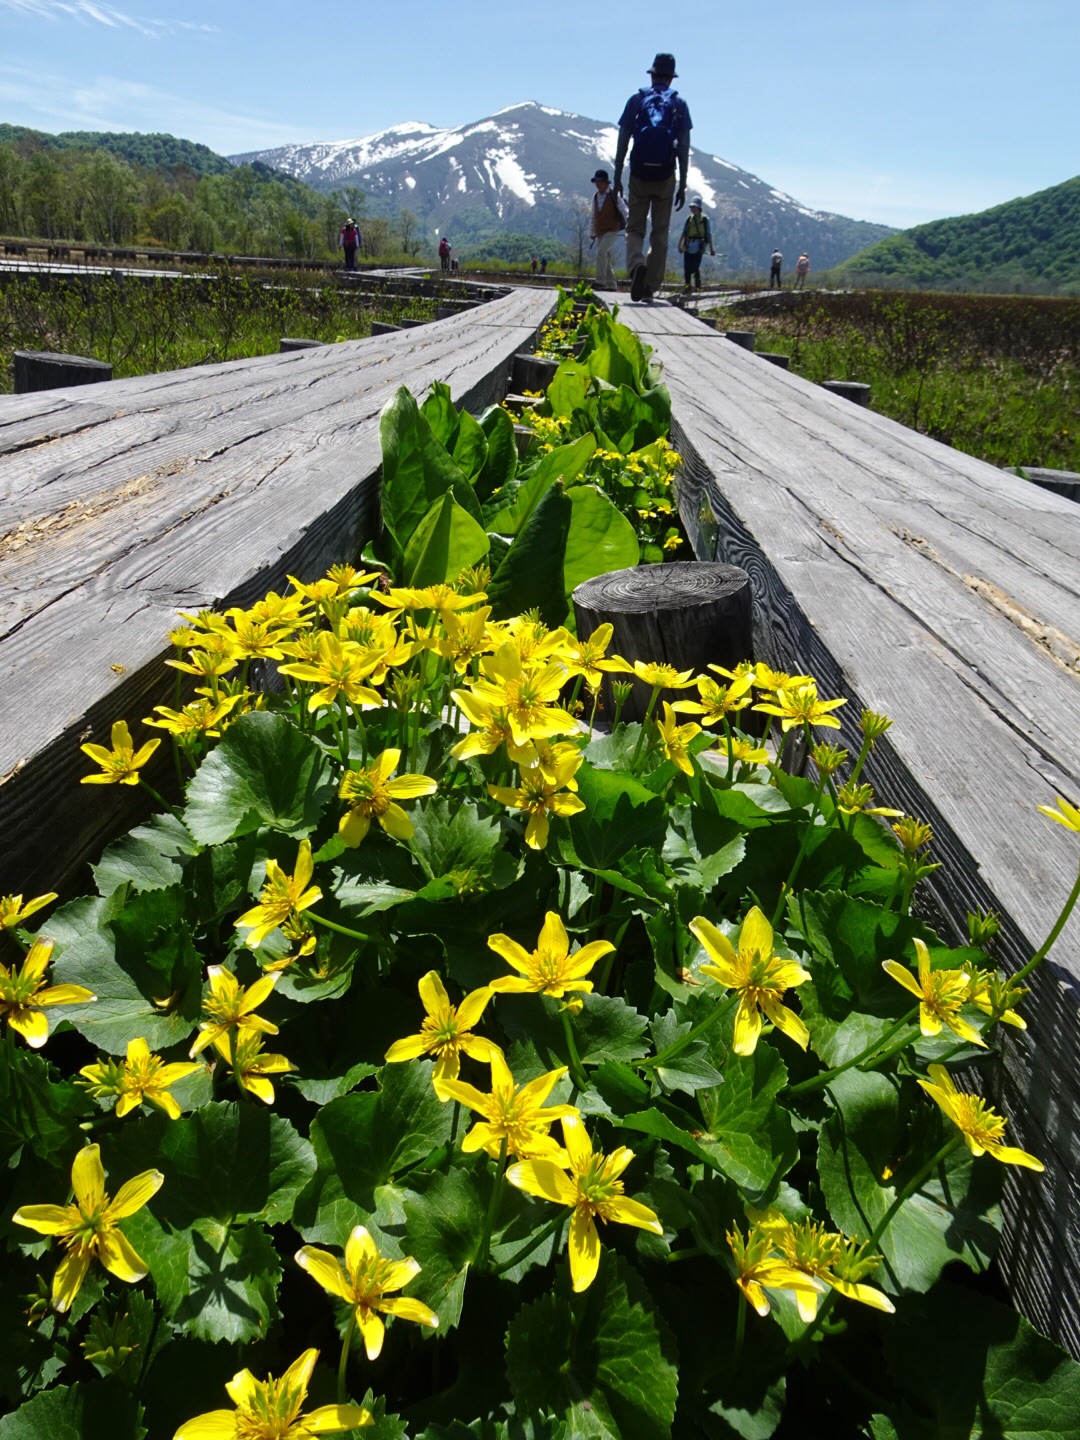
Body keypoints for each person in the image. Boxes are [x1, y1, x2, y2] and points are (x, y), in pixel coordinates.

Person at [612, 52, 692, 303]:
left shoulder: (636, 100)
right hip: (665, 175)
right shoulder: (679, 105)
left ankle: (637, 266)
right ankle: (649, 287)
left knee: (635, 228)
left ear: (652, 74)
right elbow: (683, 147)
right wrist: (682, 183)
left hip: (639, 173)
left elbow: (623, 139)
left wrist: (617, 176)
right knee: (660, 233)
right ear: (671, 79)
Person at [590, 168, 626, 292]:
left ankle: (600, 281)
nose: (597, 184)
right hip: (600, 230)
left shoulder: (614, 195)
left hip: (612, 229)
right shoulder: (595, 197)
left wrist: (631, 226)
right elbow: (593, 216)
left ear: (606, 182)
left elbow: (624, 209)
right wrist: (592, 231)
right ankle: (612, 284)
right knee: (606, 256)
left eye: (600, 181)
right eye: (596, 181)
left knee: (601, 252)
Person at [678, 197, 714, 292]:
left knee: (694, 267)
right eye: (692, 207)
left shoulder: (705, 220)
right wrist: (680, 245)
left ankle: (698, 285)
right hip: (688, 245)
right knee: (687, 267)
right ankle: (687, 286)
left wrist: (711, 249)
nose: (693, 209)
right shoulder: (689, 219)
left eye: (695, 207)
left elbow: (708, 235)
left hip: (699, 246)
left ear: (699, 208)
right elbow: (684, 233)